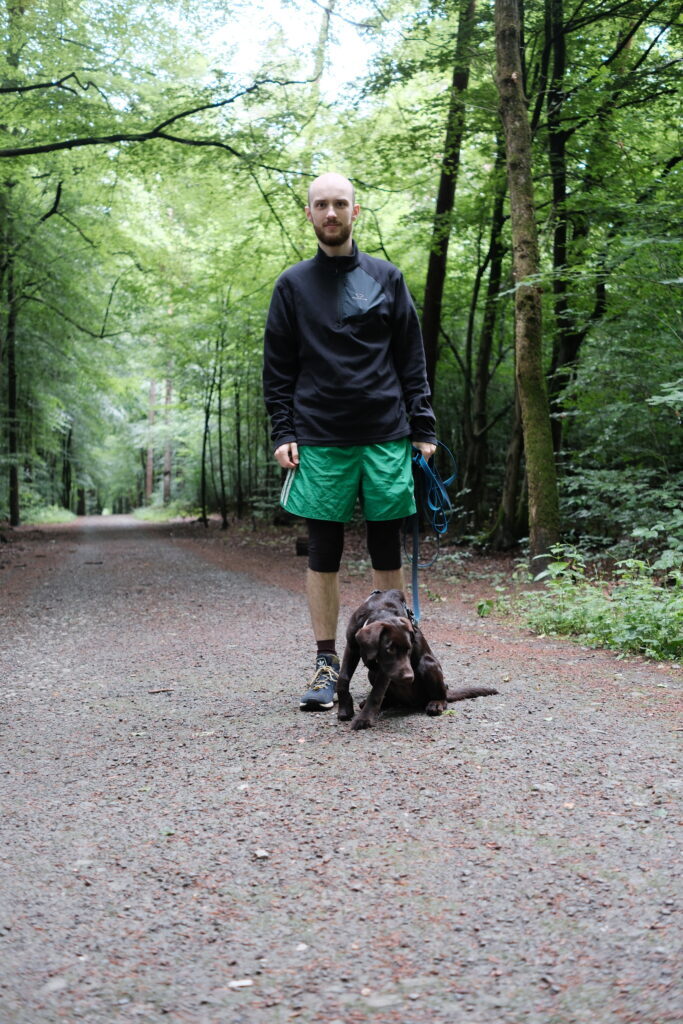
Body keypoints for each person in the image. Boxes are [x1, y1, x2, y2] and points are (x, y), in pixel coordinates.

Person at [262, 172, 437, 711]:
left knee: (386, 548)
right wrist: (283, 430)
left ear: (355, 211)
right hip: (319, 437)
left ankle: (397, 664)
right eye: (321, 205)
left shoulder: (387, 277)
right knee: (324, 552)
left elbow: (411, 356)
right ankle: (326, 665)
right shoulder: (292, 285)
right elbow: (278, 368)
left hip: (386, 434)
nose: (331, 213)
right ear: (309, 214)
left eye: (340, 204)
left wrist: (423, 425)